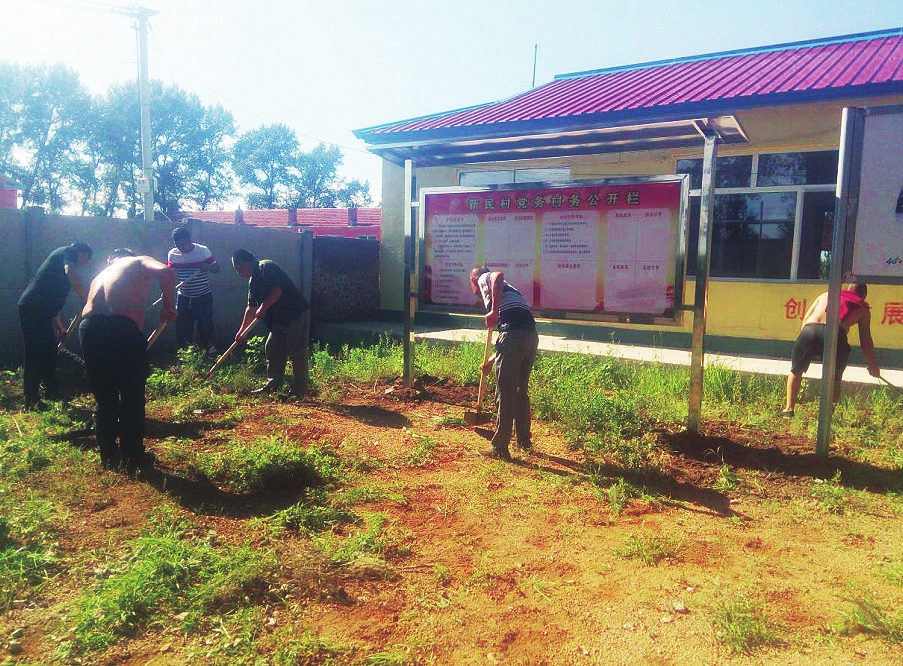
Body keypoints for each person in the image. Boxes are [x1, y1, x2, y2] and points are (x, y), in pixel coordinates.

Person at [79, 249, 177, 473]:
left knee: (105, 395)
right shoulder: (138, 261)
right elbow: (167, 273)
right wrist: (169, 306)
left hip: (90, 329)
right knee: (132, 394)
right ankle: (132, 456)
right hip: (121, 328)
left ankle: (109, 456)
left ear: (110, 259)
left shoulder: (100, 275)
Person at [469, 265, 539, 460]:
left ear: (473, 280)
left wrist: (493, 311)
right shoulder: (511, 291)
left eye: (470, 285)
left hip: (513, 335)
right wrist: (492, 360)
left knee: (505, 392)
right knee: (519, 391)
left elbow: (497, 275)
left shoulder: (483, 278)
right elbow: (513, 337)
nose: (474, 291)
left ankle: (499, 447)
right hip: (529, 336)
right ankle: (524, 441)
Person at [781, 280, 880, 416]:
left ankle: (789, 409)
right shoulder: (862, 308)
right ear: (863, 296)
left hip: (810, 330)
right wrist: (872, 364)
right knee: (835, 377)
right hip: (836, 333)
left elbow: (805, 320)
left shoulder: (826, 295)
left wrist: (806, 339)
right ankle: (828, 414)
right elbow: (865, 340)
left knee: (796, 370)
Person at [18, 242, 92, 409]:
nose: (84, 264)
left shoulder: (59, 272)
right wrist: (87, 296)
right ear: (82, 253)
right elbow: (70, 272)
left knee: (50, 350)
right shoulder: (68, 252)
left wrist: (60, 327)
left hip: (42, 310)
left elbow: (52, 304)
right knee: (35, 352)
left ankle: (52, 391)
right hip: (32, 307)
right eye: (86, 259)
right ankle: (31, 399)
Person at [231, 248, 311, 397]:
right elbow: (251, 306)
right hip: (278, 319)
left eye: (237, 268)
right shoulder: (253, 280)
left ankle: (300, 391)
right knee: (273, 348)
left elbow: (276, 292)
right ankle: (273, 384)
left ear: (244, 263)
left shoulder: (266, 267)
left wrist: (263, 307)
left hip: (294, 314)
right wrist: (242, 331)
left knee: (297, 352)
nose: (238, 273)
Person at [167, 226, 220, 357]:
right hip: (183, 297)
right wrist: (167, 290)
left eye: (183, 244)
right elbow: (170, 274)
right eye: (178, 245)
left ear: (189, 240)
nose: (181, 248)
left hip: (203, 295)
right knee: (183, 326)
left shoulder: (202, 251)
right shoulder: (173, 254)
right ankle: (185, 355)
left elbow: (217, 268)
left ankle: (210, 351)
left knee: (205, 325)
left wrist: (207, 267)